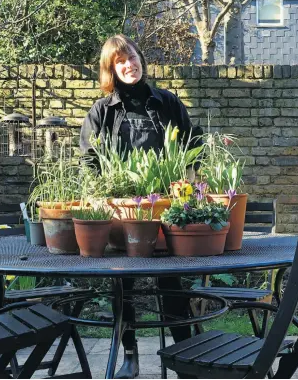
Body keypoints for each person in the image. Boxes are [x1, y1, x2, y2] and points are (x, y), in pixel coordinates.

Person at [80, 34, 202, 379]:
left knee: (173, 284)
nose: (129, 65)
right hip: (123, 214)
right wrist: (99, 195)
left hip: (166, 208)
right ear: (111, 69)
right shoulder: (102, 111)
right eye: (120, 61)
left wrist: (191, 188)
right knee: (124, 284)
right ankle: (130, 357)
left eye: (132, 57)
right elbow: (88, 160)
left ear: (140, 59)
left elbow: (193, 149)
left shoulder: (166, 103)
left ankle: (184, 355)